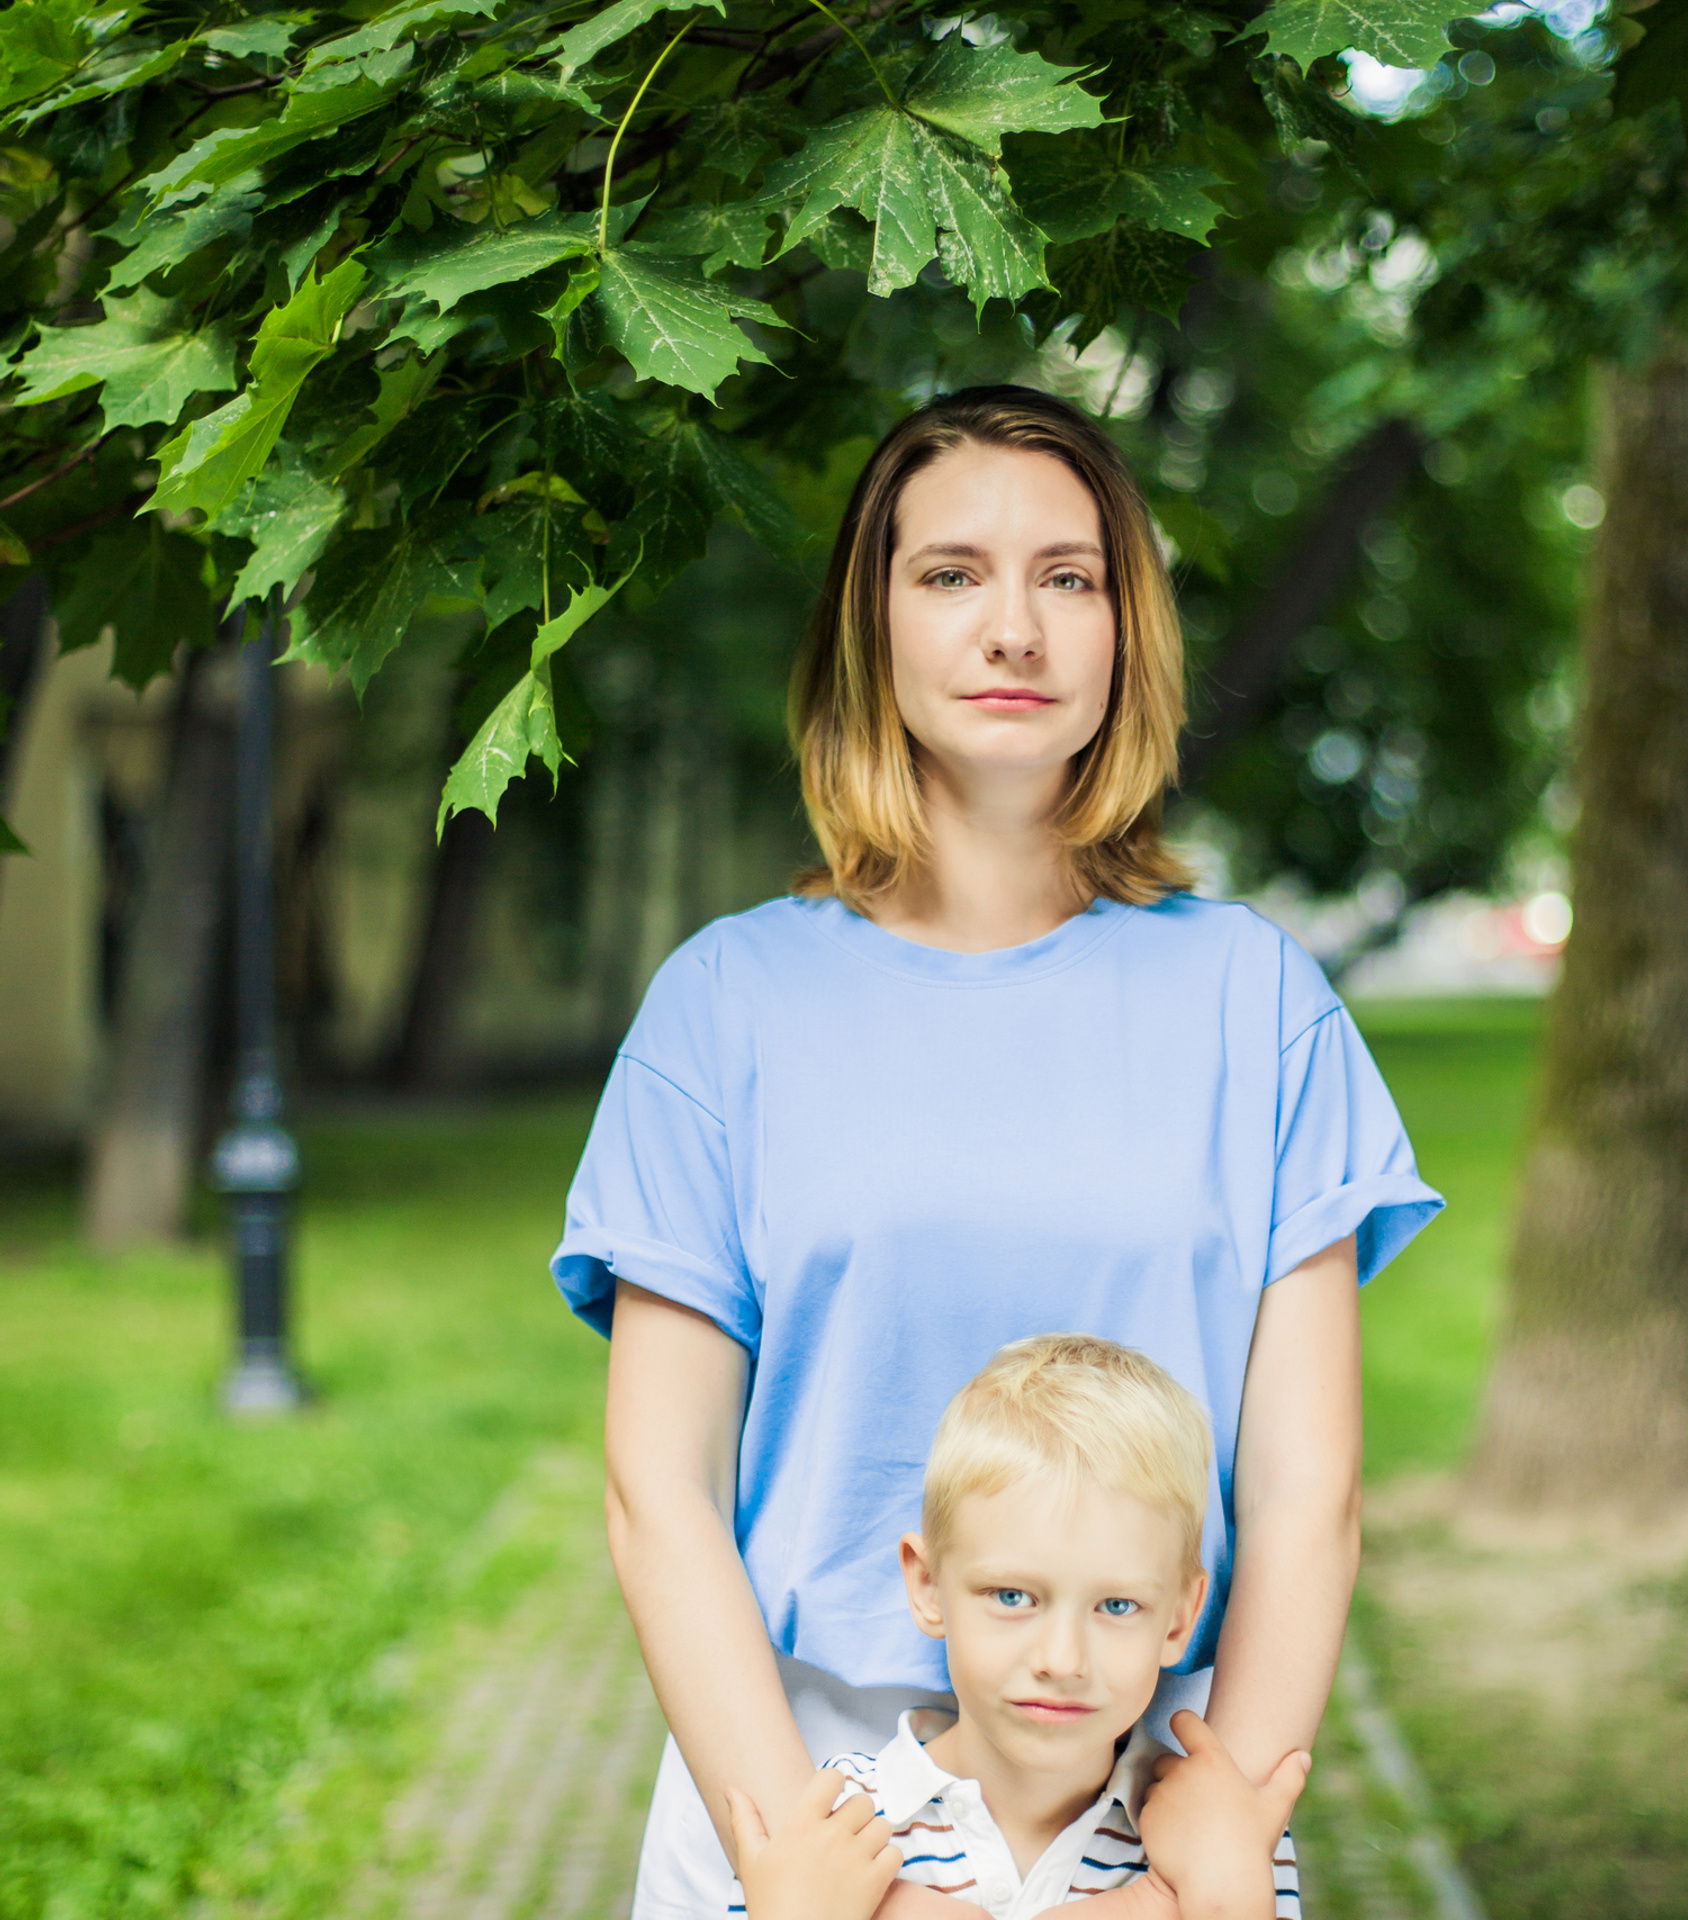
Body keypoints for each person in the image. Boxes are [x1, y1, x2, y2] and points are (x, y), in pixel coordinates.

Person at [551, 384, 1443, 1920]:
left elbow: (1309, 1492)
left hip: (1159, 1788)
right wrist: (802, 1865)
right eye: (951, 574)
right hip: (801, 1798)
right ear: (874, 629)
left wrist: (1205, 1854)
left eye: (1069, 578)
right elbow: (659, 1487)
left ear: (1123, 633)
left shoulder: (1257, 1003)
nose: (1013, 628)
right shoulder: (726, 1004)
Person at [725, 1334, 1308, 1920]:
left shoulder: (1220, 1833)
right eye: (1013, 1596)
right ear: (927, 1586)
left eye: (1117, 1606)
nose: (1062, 1659)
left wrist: (1227, 1901)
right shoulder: (834, 1825)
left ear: (1180, 1618)